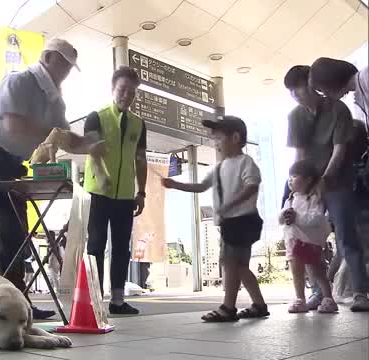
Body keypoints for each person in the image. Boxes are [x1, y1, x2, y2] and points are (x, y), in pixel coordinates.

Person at [0, 39, 95, 320]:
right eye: (63, 63)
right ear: (48, 57)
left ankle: (16, 302)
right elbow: (13, 125)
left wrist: (91, 144)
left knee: (16, 233)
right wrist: (56, 133)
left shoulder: (55, 99)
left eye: (69, 66)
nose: (66, 70)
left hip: (12, 163)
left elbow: (66, 139)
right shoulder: (18, 82)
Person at [162, 116, 269, 322]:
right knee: (239, 266)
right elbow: (201, 186)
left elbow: (251, 186)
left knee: (230, 263)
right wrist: (176, 185)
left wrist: (231, 204)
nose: (216, 143)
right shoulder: (219, 168)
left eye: (219, 138)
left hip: (242, 220)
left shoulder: (245, 162)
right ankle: (258, 304)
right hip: (230, 223)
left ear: (235, 138)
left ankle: (228, 308)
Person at [283, 65, 369, 311]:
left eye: (299, 86)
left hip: (337, 180)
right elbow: (299, 154)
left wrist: (324, 180)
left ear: (312, 84)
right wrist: (299, 186)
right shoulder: (295, 116)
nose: (296, 94)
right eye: (291, 90)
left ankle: (360, 292)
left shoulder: (338, 108)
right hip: (307, 184)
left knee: (345, 236)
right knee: (306, 241)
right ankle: (318, 293)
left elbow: (339, 149)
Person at [83, 66, 147, 315]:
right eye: (122, 90)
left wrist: (141, 192)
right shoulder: (96, 117)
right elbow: (92, 152)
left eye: (132, 92)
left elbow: (140, 159)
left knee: (122, 247)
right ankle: (94, 300)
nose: (127, 96)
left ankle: (118, 300)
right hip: (98, 192)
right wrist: (103, 179)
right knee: (96, 246)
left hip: (124, 196)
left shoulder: (139, 124)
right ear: (113, 89)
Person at [281, 160, 338, 313]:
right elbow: (281, 219)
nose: (290, 179)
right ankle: (300, 299)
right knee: (297, 271)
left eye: (294, 176)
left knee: (318, 271)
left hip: (309, 242)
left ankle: (328, 298)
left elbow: (316, 219)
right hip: (293, 242)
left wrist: (296, 218)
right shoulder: (290, 199)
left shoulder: (314, 199)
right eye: (290, 176)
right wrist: (284, 215)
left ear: (308, 179)